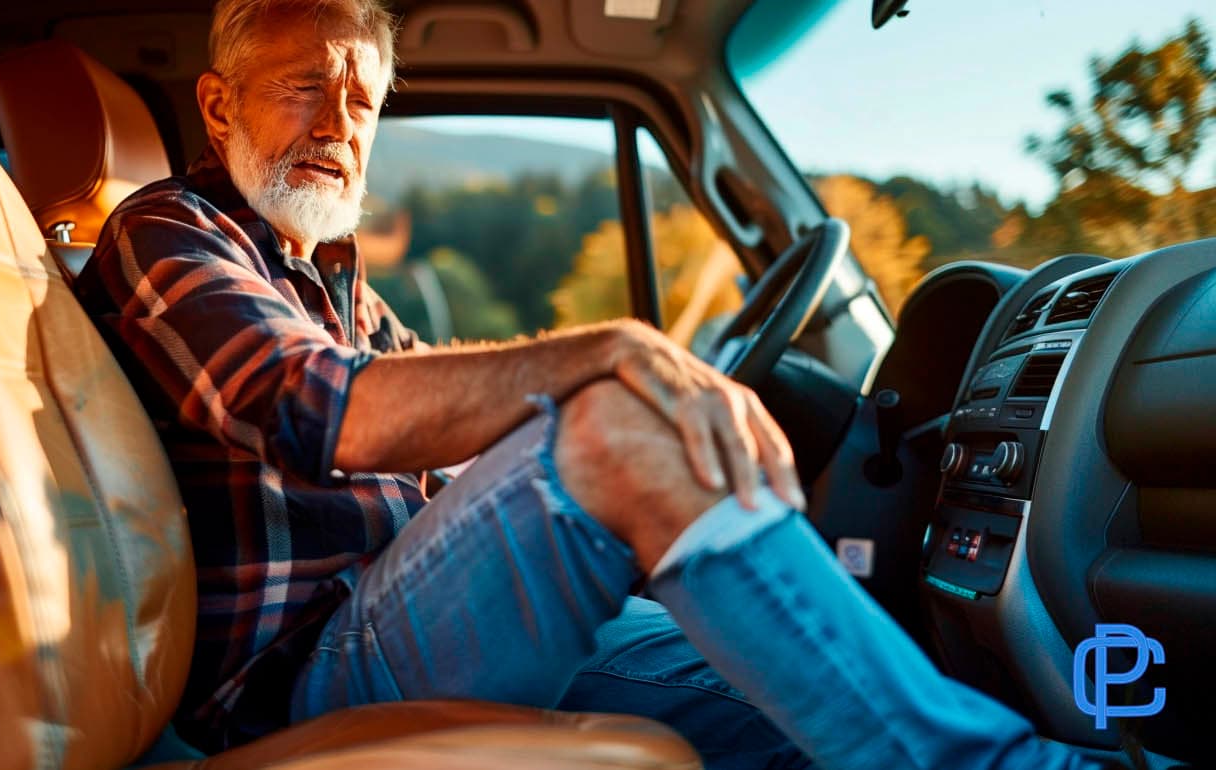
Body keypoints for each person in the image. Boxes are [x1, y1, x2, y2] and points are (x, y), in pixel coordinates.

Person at [72, 1, 1109, 768]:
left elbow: (465, 429)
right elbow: (315, 406)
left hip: (406, 612)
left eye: (361, 100)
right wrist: (611, 362)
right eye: (305, 85)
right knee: (620, 422)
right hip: (301, 672)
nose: (338, 124)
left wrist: (632, 468)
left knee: (795, 705)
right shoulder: (168, 230)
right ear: (219, 104)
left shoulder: (335, 278)